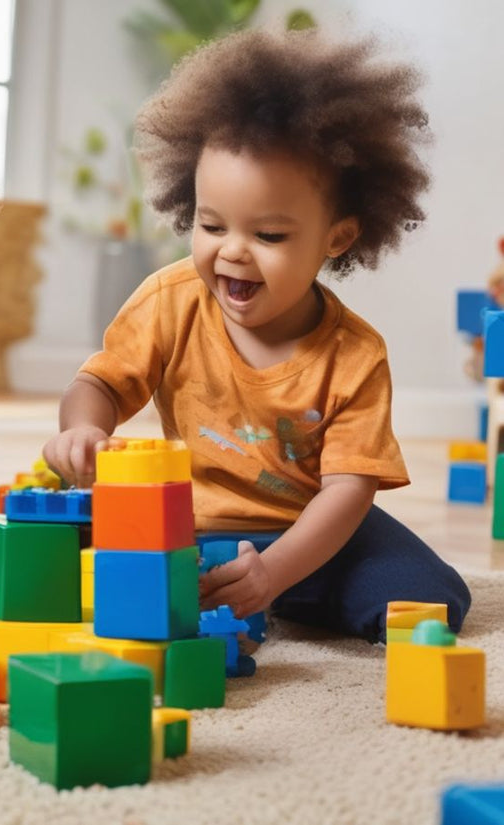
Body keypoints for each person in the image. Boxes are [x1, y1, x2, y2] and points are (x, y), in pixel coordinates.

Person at [43, 29, 471, 643]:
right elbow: (99, 384)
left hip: (309, 534)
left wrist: (272, 572)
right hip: (184, 525)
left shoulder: (355, 353)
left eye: (269, 236)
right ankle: (232, 588)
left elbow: (348, 493)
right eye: (211, 224)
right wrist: (83, 429)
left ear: (338, 237)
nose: (232, 253)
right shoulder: (172, 300)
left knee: (429, 597)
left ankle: (274, 593)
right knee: (58, 538)